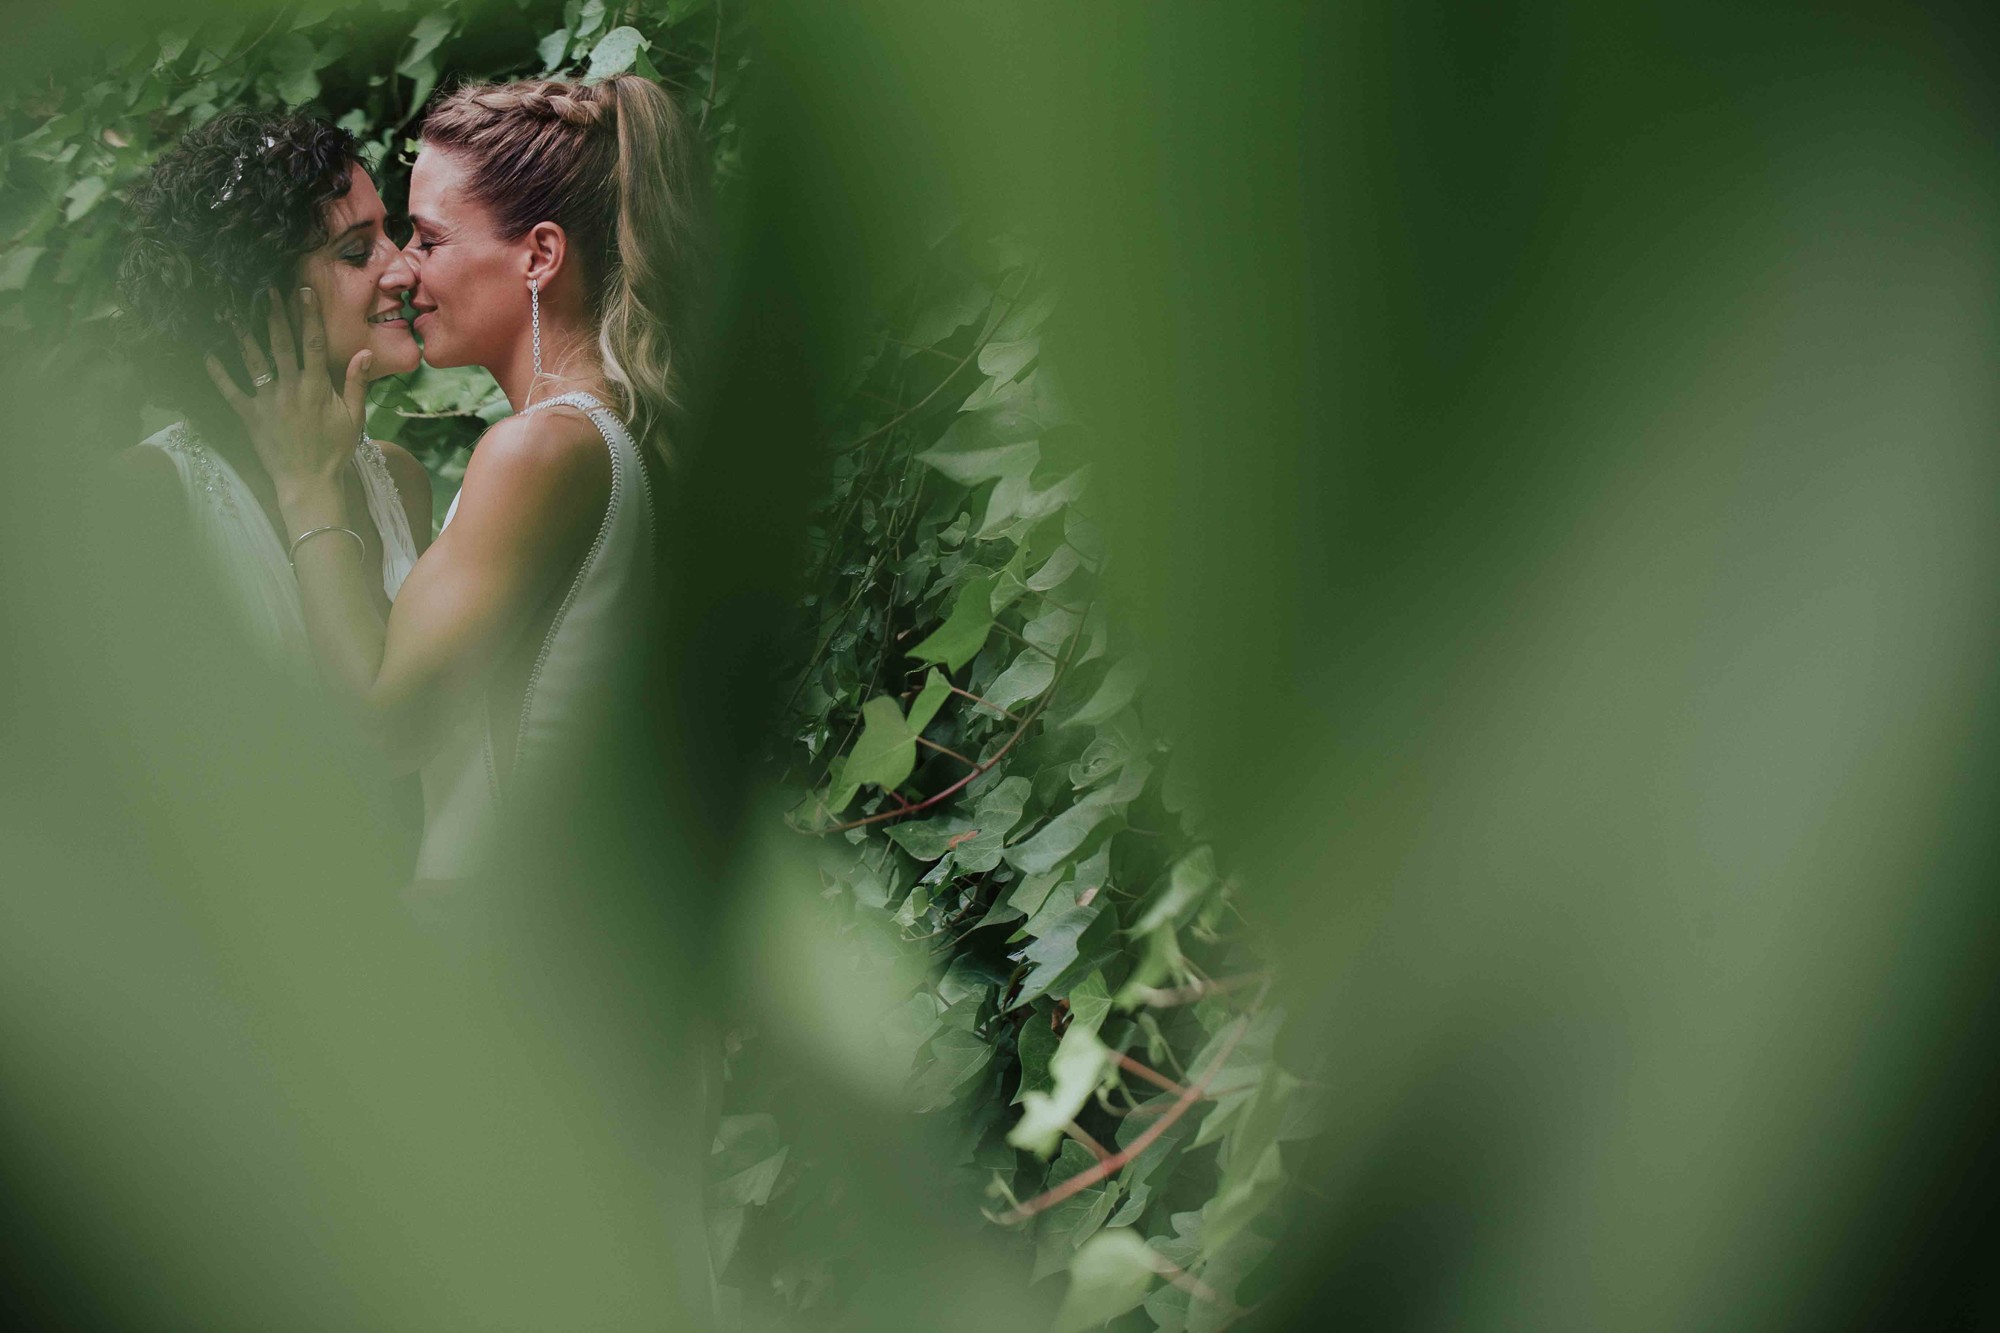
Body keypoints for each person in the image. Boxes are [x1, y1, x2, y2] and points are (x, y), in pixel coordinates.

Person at [208, 75, 701, 885]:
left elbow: (384, 730)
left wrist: (305, 484)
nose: (405, 270)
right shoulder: (618, 429)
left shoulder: (538, 452)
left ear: (539, 255)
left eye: (429, 240)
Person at [118, 110, 433, 673]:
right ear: (257, 294)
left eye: (390, 235)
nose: (405, 269)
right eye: (357, 252)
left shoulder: (401, 479)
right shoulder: (147, 495)